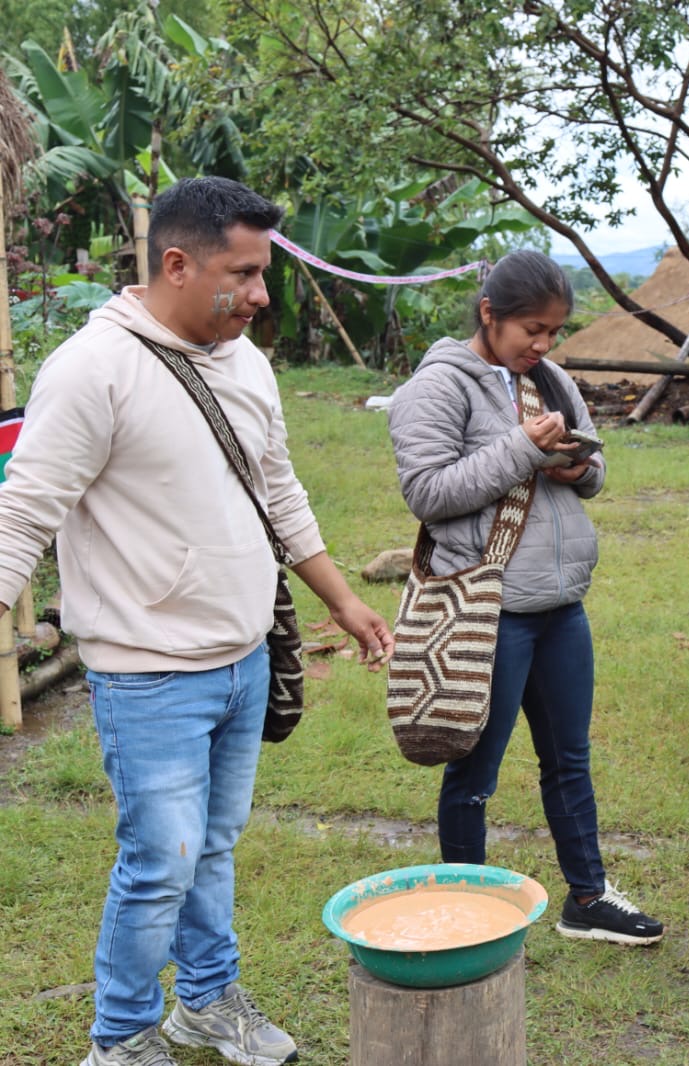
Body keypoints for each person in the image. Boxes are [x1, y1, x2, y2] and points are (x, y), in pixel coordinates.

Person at [0, 177, 395, 1066]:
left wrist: (342, 597)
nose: (261, 294)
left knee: (212, 851)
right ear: (176, 264)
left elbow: (278, 490)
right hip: (147, 675)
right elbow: (22, 513)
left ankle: (208, 1003)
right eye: (244, 273)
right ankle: (123, 1037)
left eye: (265, 272)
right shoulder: (91, 370)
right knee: (160, 867)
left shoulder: (246, 362)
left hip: (244, 659)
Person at [387, 251, 664, 945]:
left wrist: (577, 463)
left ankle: (589, 897)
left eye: (552, 332)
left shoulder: (548, 378)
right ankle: (466, 911)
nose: (542, 345)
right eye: (531, 331)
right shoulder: (437, 386)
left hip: (561, 604)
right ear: (489, 315)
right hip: (490, 607)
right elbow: (428, 493)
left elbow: (592, 468)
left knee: (570, 759)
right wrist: (521, 448)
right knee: (473, 767)